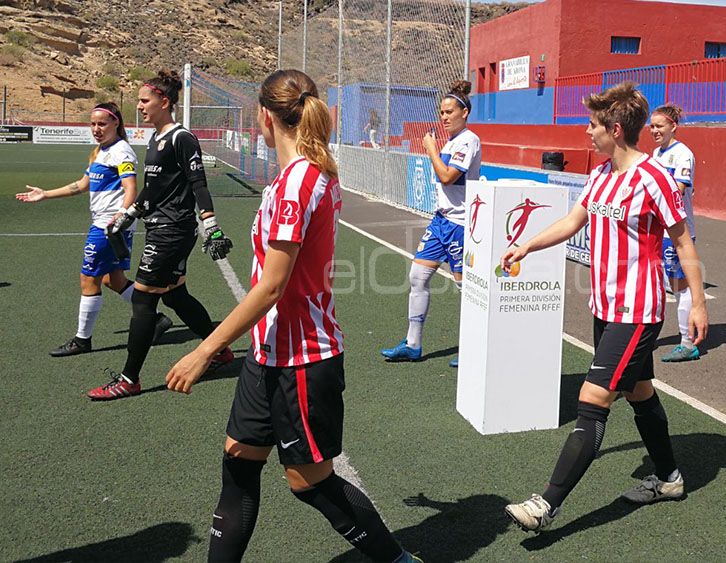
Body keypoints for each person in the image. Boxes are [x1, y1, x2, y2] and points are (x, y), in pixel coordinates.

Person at [164, 69, 420, 563]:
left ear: (264, 116)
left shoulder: (302, 180)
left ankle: (397, 559)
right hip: (268, 353)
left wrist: (204, 350)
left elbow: (272, 286)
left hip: (304, 357)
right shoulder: (293, 176)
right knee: (238, 464)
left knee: (308, 484)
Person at [503, 83, 708, 532]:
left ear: (615, 129)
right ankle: (670, 477)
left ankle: (546, 506)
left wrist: (695, 304)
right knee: (639, 392)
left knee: (593, 400)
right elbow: (573, 221)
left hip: (638, 310)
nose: (587, 131)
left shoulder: (655, 177)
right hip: (604, 307)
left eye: (593, 125)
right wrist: (527, 246)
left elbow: (682, 240)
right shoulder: (599, 175)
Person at [86, 70, 234, 400]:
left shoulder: (182, 138)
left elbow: (198, 184)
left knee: (143, 299)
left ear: (164, 102)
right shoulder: (156, 138)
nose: (139, 107)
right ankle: (221, 350)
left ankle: (129, 379)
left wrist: (210, 222)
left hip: (172, 231)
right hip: (160, 225)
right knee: (175, 296)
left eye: (144, 100)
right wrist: (129, 214)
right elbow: (155, 190)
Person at [15, 102, 171, 356]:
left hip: (108, 227)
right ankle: (155, 319)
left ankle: (82, 340)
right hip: (105, 224)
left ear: (116, 124)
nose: (96, 129)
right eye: (93, 124)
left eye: (102, 124)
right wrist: (45, 194)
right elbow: (82, 184)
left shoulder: (121, 151)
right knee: (113, 280)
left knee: (88, 280)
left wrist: (121, 216)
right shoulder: (99, 151)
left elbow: (131, 187)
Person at [380, 80, 480, 369]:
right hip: (440, 222)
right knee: (417, 277)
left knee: (467, 290)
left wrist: (430, 149)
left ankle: (474, 347)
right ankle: (412, 344)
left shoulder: (468, 140)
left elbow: (447, 176)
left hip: (461, 226)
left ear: (465, 112)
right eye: (442, 112)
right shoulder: (451, 141)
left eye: (450, 112)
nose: (445, 117)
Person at [649, 103, 701, 362]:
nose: (654, 130)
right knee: (671, 285)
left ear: (673, 127)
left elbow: (677, 190)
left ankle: (687, 342)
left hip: (678, 233)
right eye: (652, 126)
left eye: (659, 126)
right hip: (659, 231)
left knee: (680, 287)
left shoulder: (683, 154)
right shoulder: (656, 153)